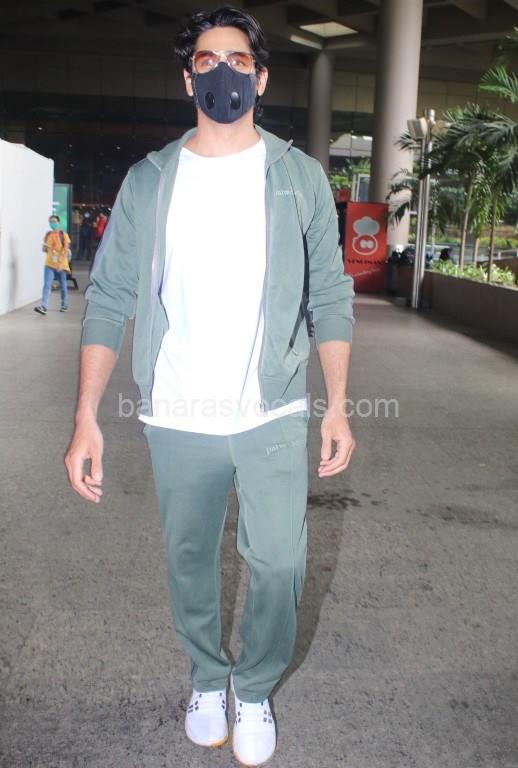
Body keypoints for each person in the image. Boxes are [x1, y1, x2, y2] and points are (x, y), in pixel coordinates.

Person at [65, 7, 356, 766]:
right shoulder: (151, 181)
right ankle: (206, 678)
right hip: (178, 411)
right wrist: (85, 416)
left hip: (272, 408)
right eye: (205, 58)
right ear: (186, 77)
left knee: (281, 564)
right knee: (190, 560)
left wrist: (337, 406)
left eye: (238, 59)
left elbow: (330, 295)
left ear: (261, 78)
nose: (222, 70)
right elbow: (110, 298)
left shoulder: (297, 177)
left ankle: (252, 688)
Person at [34, 215, 71, 315]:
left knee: (63, 285)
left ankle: (64, 304)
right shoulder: (48, 235)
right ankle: (44, 306)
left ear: (58, 222)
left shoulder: (63, 235)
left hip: (61, 265)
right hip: (49, 264)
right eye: (50, 221)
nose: (52, 223)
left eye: (54, 221)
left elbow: (65, 250)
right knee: (47, 285)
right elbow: (45, 250)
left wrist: (61, 264)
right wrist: (44, 248)